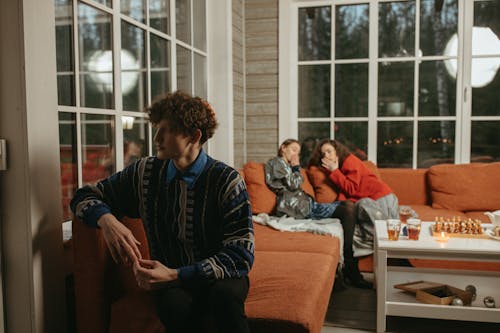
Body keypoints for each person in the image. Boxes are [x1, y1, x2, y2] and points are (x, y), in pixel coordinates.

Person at [70, 91, 254, 333]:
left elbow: (241, 254)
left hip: (218, 276)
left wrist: (177, 275)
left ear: (194, 136)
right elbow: (82, 196)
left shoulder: (227, 180)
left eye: (166, 130)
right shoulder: (144, 172)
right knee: (173, 306)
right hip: (166, 280)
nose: (156, 137)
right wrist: (107, 221)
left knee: (226, 298)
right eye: (157, 128)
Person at [264, 139, 372, 289]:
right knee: (347, 209)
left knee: (349, 206)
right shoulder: (276, 163)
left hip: (306, 205)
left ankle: (348, 264)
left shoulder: (284, 166)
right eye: (294, 149)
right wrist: (296, 167)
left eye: (299, 152)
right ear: (283, 148)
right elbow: (294, 184)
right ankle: (350, 265)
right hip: (296, 207)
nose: (296, 155)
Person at [308, 139, 399, 284]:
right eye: (323, 153)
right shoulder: (339, 167)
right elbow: (347, 193)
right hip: (367, 201)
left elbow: (351, 189)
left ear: (337, 151)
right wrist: (338, 204)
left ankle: (395, 256)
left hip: (380, 199)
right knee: (352, 225)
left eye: (329, 151)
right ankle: (351, 268)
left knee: (373, 230)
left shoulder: (350, 161)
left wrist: (334, 171)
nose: (326, 155)